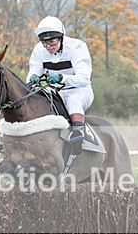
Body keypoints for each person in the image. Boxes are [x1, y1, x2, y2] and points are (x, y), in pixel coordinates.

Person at [26, 16, 93, 155]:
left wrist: (62, 78)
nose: (48, 46)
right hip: (55, 92)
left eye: (52, 42)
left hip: (79, 91)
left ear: (61, 37)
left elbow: (84, 78)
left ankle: (78, 136)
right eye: (45, 43)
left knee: (73, 102)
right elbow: (33, 72)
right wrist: (32, 77)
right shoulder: (39, 50)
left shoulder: (77, 47)